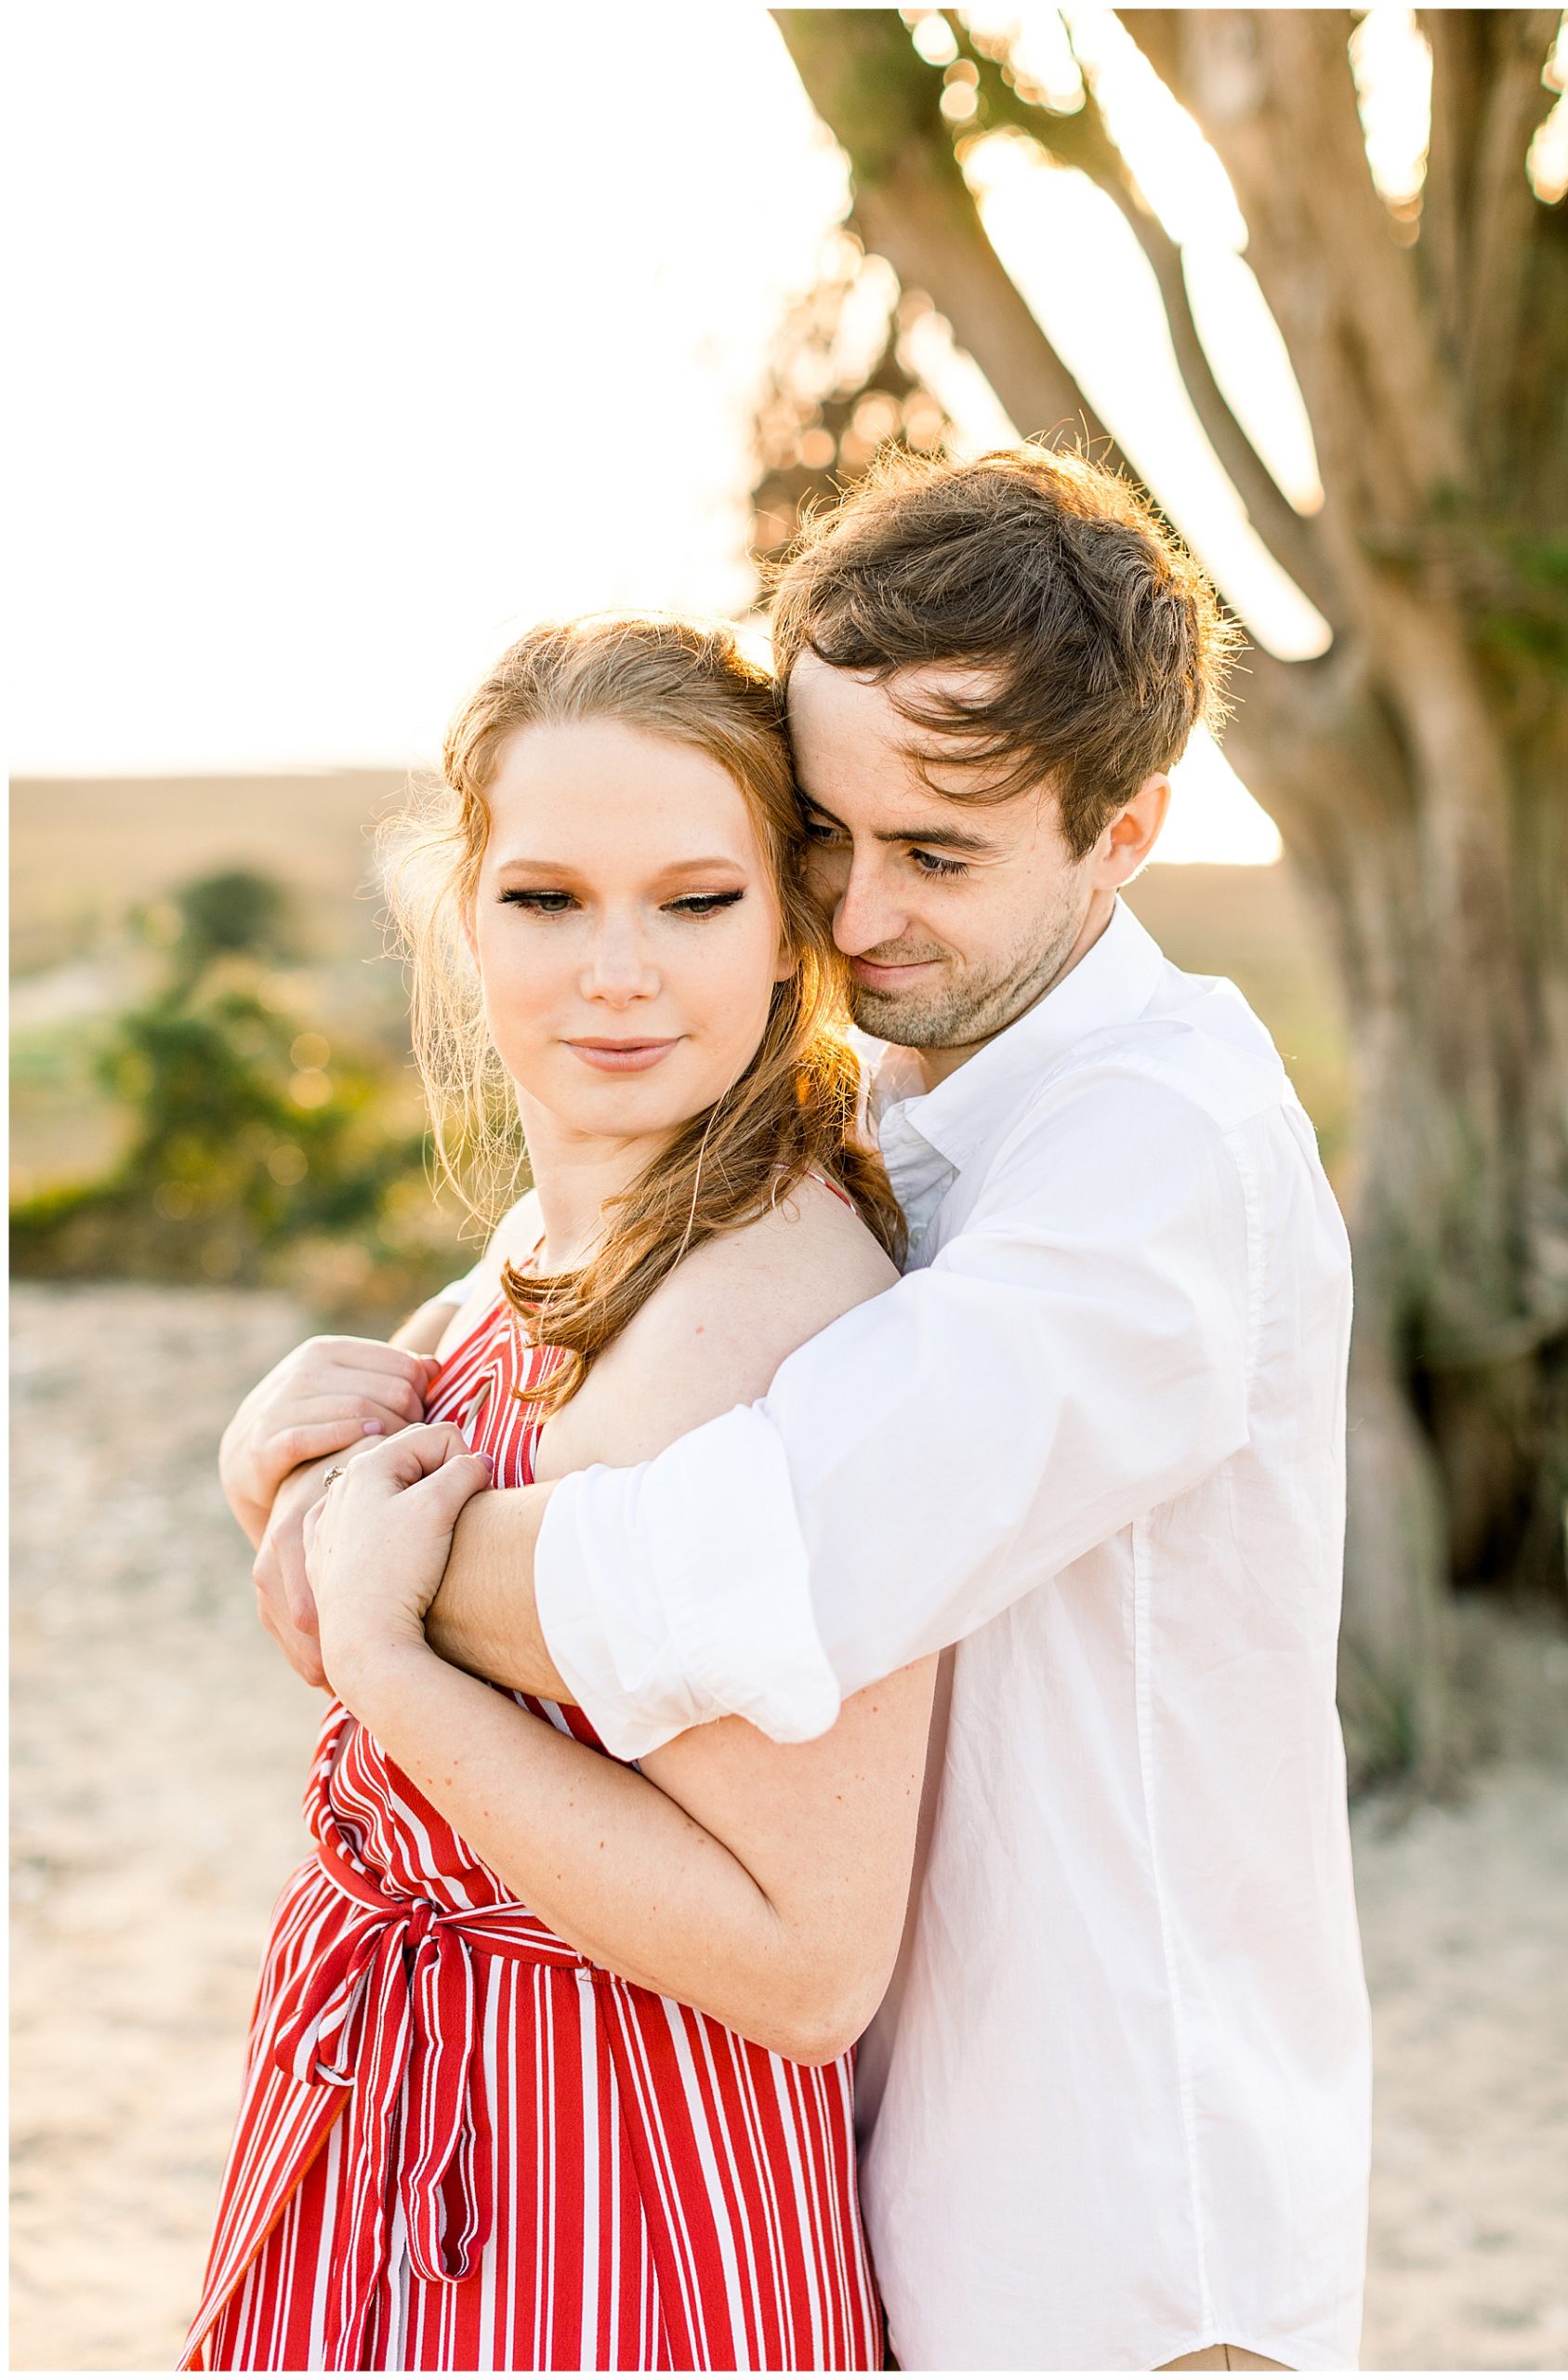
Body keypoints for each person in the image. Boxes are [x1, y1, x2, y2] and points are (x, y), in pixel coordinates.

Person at [239, 448, 1373, 2372]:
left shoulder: (1152, 1150)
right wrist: (290, 1438)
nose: (852, 916)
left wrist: (374, 1588)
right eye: (823, 837)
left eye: (937, 854)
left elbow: (751, 1559)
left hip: (1108, 2231)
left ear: (1126, 832)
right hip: (886, 2178)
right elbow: (544, 1333)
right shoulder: (931, 1091)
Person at [186, 615, 939, 2371]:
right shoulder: (554, 1242)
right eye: (546, 900)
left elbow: (803, 1960)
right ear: (463, 916)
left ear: (789, 931)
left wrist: (384, 1665)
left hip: (602, 2200)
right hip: (410, 2132)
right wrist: (280, 1474)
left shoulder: (762, 1310)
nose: (618, 972)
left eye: (695, 900)